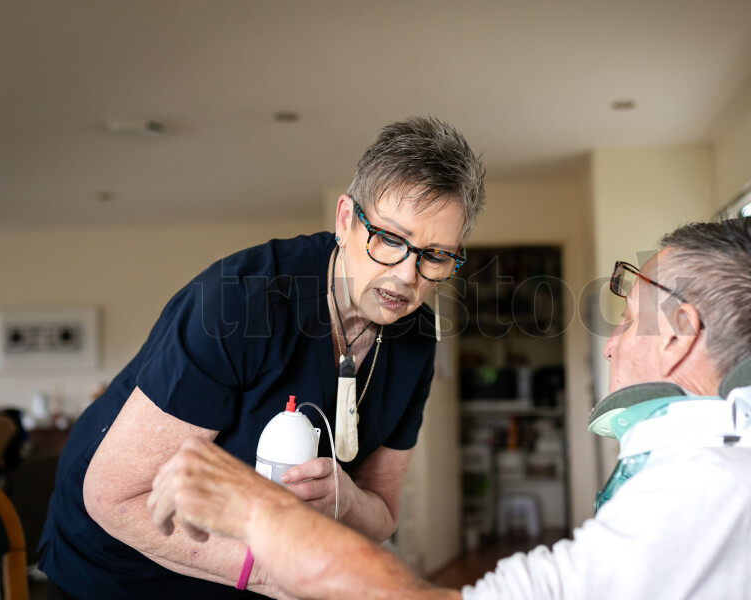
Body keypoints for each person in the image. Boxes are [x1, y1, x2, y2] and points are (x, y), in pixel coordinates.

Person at [147, 216, 751, 600]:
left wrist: (255, 511)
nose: (608, 351)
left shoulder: (723, 487)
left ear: (680, 334)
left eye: (628, 318)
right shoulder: (745, 471)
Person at [38, 116, 486, 599]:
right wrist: (279, 573)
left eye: (435, 255)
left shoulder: (416, 339)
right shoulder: (239, 303)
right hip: (118, 570)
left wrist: (346, 501)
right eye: (391, 239)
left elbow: (382, 513)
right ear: (344, 220)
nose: (407, 276)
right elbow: (112, 498)